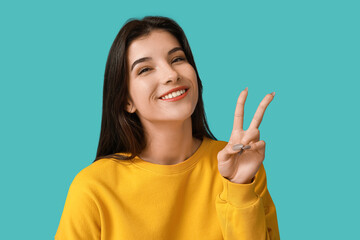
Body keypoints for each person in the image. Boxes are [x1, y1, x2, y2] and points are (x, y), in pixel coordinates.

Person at [55, 16, 280, 239]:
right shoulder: (93, 188)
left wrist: (239, 188)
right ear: (126, 100)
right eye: (144, 69)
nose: (171, 75)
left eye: (177, 59)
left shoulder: (241, 166)